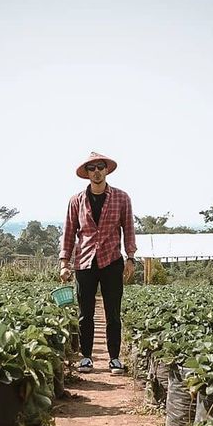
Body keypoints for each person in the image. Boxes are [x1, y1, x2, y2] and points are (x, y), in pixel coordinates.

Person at [59, 152, 137, 375]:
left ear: (106, 170)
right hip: (84, 262)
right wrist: (64, 262)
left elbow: (129, 229)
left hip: (112, 260)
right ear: (87, 173)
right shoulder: (76, 201)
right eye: (92, 168)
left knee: (113, 312)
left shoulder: (122, 198)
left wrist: (130, 257)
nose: (96, 171)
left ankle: (114, 358)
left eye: (100, 167)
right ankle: (86, 357)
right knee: (85, 313)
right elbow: (69, 232)